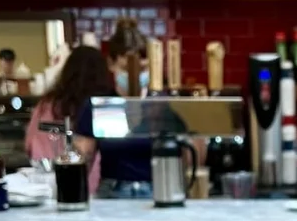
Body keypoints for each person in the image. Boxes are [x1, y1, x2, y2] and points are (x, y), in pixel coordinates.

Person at [74, 19, 189, 198]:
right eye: (126, 68)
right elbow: (83, 158)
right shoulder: (100, 106)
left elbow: (189, 158)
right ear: (111, 64)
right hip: (112, 193)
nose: (136, 75)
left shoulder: (163, 106)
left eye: (143, 68)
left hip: (160, 190)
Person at [25, 45, 109, 194]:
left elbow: (30, 144)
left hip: (48, 185)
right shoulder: (105, 106)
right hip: (97, 188)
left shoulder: (46, 105)